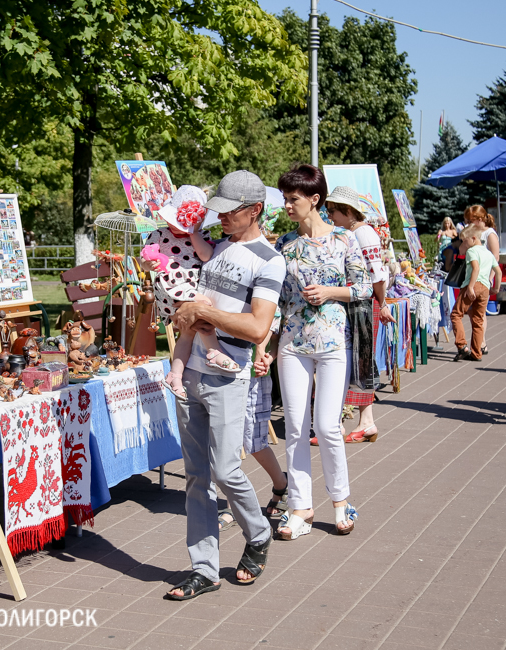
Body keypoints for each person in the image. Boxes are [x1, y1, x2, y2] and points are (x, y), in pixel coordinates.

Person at [166, 170, 285, 599]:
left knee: (225, 470)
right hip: (194, 372)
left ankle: (258, 532)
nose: (221, 219)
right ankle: (204, 568)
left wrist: (202, 313)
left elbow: (257, 327)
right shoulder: (217, 248)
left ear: (254, 211)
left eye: (229, 212)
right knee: (197, 477)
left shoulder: (270, 261)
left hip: (228, 377)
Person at [274, 164, 370, 541]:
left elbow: (364, 287)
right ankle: (300, 508)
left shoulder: (345, 240)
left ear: (315, 200)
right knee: (295, 428)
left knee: (328, 426)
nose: (286, 205)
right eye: (284, 198)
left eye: (292, 199)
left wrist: (331, 292)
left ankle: (340, 501)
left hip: (333, 342)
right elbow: (277, 298)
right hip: (293, 343)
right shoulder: (283, 244)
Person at [139, 185, 239, 400]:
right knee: (204, 306)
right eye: (172, 222)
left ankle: (175, 374)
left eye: (181, 223)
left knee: (188, 332)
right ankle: (214, 350)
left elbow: (205, 255)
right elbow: (144, 260)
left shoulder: (199, 234)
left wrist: (193, 232)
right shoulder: (159, 234)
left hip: (190, 286)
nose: (174, 227)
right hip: (170, 286)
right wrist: (150, 264)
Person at [324, 186, 394, 443]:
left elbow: (376, 274)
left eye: (332, 211)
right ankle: (364, 422)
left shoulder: (363, 233)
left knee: (358, 359)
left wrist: (382, 303)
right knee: (358, 359)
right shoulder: (350, 232)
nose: (329, 215)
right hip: (357, 301)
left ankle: (346, 423)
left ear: (348, 211)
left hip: (363, 303)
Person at [218, 330, 289, 531]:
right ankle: (233, 504)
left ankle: (281, 484)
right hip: (223, 373)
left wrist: (268, 356)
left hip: (254, 377)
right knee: (228, 439)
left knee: (255, 443)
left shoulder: (266, 300)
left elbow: (275, 337)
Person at [451, 224, 501, 362]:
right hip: (485, 288)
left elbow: (476, 269)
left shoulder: (471, 251)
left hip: (472, 285)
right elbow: (498, 271)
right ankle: (476, 353)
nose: (463, 243)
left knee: (456, 314)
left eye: (465, 240)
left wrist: (471, 287)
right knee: (478, 320)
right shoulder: (488, 253)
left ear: (473, 238)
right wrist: (496, 288)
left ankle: (462, 346)